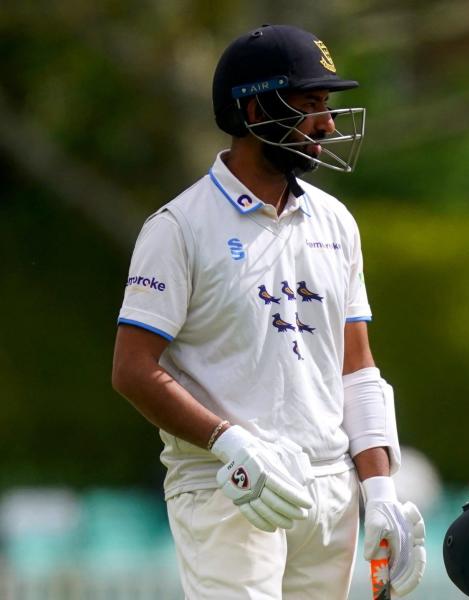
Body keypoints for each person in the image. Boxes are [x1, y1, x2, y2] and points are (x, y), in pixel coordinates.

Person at [111, 24, 425, 599]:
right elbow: (133, 368)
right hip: (226, 486)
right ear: (254, 109)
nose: (327, 124)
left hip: (330, 492)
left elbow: (357, 367)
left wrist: (379, 490)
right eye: (310, 105)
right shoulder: (179, 228)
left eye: (327, 105)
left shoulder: (337, 223)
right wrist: (229, 443)